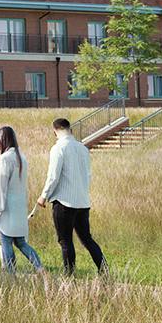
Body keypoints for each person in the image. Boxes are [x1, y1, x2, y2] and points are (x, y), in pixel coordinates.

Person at [38, 117, 106, 277]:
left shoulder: (58, 148)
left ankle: (69, 276)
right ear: (70, 129)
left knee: (66, 242)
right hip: (83, 202)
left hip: (64, 202)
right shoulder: (83, 148)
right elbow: (88, 175)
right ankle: (104, 271)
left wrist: (43, 196)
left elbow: (53, 176)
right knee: (87, 239)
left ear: (55, 130)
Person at [0, 125, 44, 273]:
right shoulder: (21, 157)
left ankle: (11, 274)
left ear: (2, 140)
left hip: (7, 208)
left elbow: (0, 187)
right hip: (20, 207)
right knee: (21, 242)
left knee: (6, 241)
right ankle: (40, 268)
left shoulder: (5, 159)